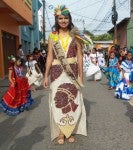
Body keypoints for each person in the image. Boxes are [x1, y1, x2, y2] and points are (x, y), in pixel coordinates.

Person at [43, 5, 87, 144]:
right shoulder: (52, 36)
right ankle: (61, 132)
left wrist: (81, 75)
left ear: (69, 19)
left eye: (65, 18)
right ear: (57, 19)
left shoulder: (76, 35)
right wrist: (45, 76)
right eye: (60, 18)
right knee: (58, 102)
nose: (63, 20)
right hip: (56, 73)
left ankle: (69, 130)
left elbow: (80, 56)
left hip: (72, 72)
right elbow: (49, 56)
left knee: (73, 100)